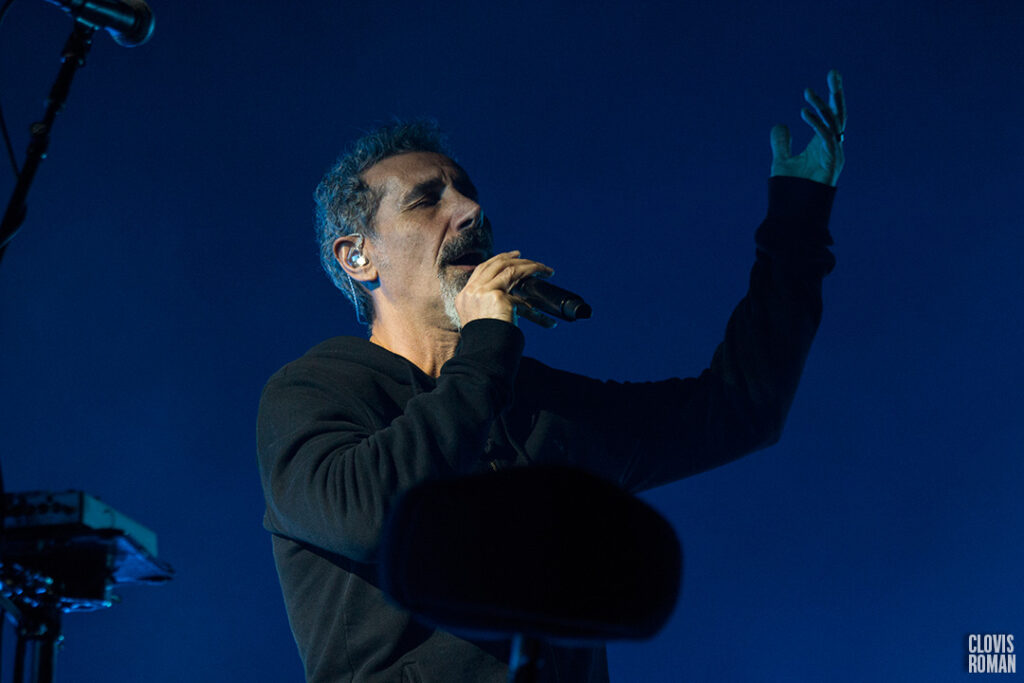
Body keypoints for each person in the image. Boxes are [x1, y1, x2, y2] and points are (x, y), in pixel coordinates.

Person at [257, 71, 847, 682]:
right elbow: (371, 516)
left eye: (467, 193)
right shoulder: (314, 391)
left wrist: (798, 224)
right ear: (358, 256)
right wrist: (485, 348)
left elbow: (738, 410)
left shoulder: (533, 402)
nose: (470, 211)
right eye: (427, 200)